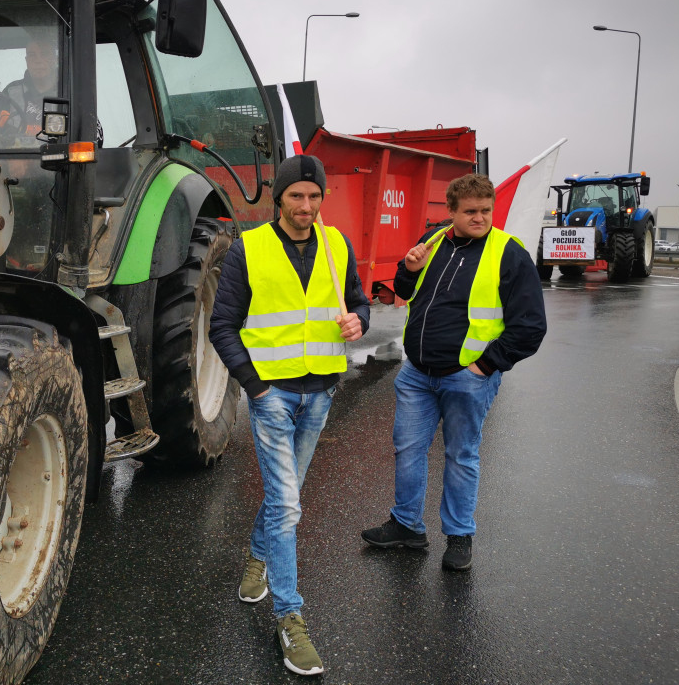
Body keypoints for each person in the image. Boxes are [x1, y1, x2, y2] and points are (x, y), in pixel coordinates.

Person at [209, 154, 370, 677]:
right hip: (272, 396)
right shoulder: (247, 249)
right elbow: (223, 326)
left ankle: (256, 559)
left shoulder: (336, 245)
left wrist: (358, 323)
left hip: (321, 392)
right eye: (297, 196)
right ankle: (290, 617)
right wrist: (254, 388)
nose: (306, 206)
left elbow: (358, 302)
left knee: (288, 495)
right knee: (287, 505)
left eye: (314, 196)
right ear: (279, 197)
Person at [361, 173, 547, 571]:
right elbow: (406, 293)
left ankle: (459, 535)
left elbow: (530, 325)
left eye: (486, 211)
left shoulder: (509, 253)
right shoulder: (433, 241)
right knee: (408, 449)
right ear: (451, 212)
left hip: (467, 376)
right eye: (470, 212)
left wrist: (485, 366)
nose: (480, 218)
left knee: (461, 455)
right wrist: (408, 270)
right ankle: (407, 526)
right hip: (417, 373)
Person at [0, 34, 58, 141]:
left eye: (44, 54)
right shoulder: (10, 92)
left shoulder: (70, 92)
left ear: (55, 59)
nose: (38, 60)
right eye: (32, 55)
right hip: (15, 155)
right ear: (26, 60)